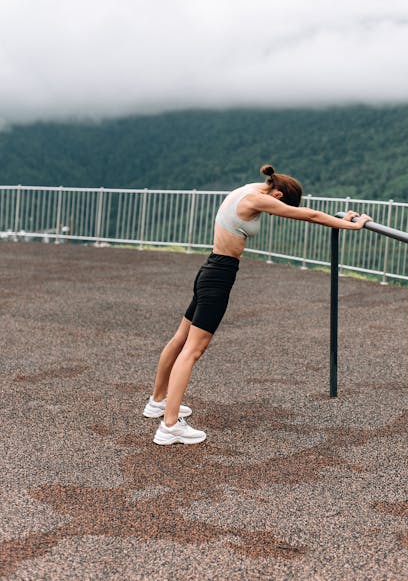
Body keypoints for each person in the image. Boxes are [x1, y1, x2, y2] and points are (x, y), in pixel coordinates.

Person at [143, 164, 372, 445]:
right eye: (279, 205)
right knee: (193, 350)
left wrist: (342, 219)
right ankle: (169, 425)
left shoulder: (251, 188)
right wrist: (352, 224)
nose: (275, 210)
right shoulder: (257, 198)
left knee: (180, 339)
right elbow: (308, 215)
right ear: (276, 195)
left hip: (209, 270)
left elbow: (302, 210)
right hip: (218, 278)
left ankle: (158, 401)